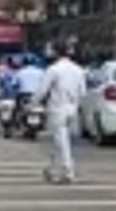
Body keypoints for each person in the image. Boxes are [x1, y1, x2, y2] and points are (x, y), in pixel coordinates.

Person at [35, 43, 87, 184]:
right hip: (73, 107)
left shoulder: (53, 69)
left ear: (56, 53)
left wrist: (33, 103)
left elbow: (42, 90)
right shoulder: (79, 70)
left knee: (61, 140)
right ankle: (50, 168)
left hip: (58, 107)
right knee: (59, 140)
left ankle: (68, 171)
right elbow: (83, 92)